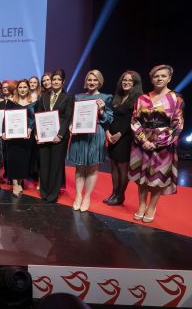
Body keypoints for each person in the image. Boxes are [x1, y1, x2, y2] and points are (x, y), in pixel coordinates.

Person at [128, 64, 184, 223]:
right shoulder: (142, 98)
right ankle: (141, 205)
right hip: (141, 142)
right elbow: (134, 120)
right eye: (156, 76)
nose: (159, 79)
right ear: (151, 78)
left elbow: (177, 124)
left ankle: (152, 207)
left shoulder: (176, 98)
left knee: (157, 178)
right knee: (141, 177)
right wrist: (143, 140)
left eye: (163, 76)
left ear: (169, 78)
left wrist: (157, 143)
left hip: (164, 145)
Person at [67, 70, 113, 212]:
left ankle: (87, 197)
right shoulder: (78, 97)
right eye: (89, 80)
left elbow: (109, 119)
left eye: (95, 80)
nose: (92, 82)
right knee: (79, 167)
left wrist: (102, 110)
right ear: (86, 81)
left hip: (95, 134)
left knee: (92, 167)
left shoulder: (106, 97)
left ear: (99, 82)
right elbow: (74, 115)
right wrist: (71, 124)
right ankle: (78, 197)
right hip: (80, 133)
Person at [104, 70, 143, 205]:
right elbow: (110, 116)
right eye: (124, 80)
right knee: (113, 165)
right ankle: (114, 193)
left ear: (135, 83)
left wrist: (120, 134)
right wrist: (107, 132)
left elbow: (134, 120)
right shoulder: (117, 96)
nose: (126, 82)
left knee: (122, 168)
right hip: (112, 137)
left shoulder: (139, 99)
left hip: (125, 138)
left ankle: (120, 196)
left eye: (130, 81)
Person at [35, 69, 74, 203]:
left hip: (59, 138)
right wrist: (37, 134)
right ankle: (44, 192)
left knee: (56, 165)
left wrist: (60, 135)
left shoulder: (68, 97)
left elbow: (68, 117)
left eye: (58, 80)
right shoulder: (44, 97)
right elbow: (38, 115)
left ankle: (52, 194)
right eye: (54, 80)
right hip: (44, 136)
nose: (55, 82)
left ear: (63, 82)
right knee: (44, 164)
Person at [3, 79, 36, 197]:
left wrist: (30, 129)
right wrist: (4, 132)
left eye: (25, 87)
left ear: (28, 89)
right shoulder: (11, 102)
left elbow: (35, 119)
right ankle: (15, 184)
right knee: (13, 160)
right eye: (20, 87)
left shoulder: (34, 102)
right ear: (17, 89)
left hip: (27, 137)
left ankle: (21, 180)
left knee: (24, 159)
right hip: (13, 137)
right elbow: (5, 118)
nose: (22, 89)